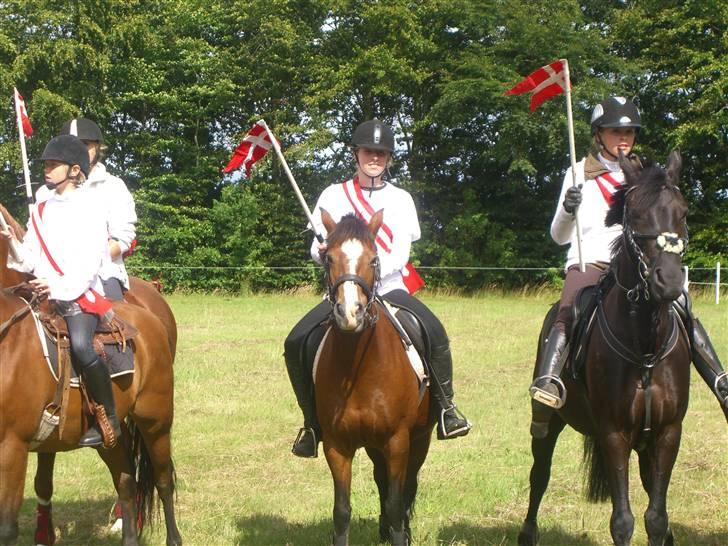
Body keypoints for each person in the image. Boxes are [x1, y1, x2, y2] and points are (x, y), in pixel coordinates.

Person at [528, 96, 728, 436]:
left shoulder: (648, 174)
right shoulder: (577, 173)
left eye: (630, 131)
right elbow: (559, 236)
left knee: (681, 305)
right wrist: (567, 207)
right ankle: (548, 382)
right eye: (614, 130)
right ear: (598, 134)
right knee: (568, 311)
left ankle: (720, 380)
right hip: (590, 260)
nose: (624, 137)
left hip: (637, 262)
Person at [284, 119, 472, 458]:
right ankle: (312, 423)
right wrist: (324, 251)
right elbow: (317, 249)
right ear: (356, 154)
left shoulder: (401, 199)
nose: (375, 158)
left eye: (381, 153)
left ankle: (446, 408)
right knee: (296, 339)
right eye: (369, 152)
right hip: (344, 291)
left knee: (434, 330)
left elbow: (401, 251)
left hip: (390, 288)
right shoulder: (333, 194)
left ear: (388, 159)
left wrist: (370, 268)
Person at [0, 134, 121, 448]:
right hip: (43, 294)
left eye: (54, 165)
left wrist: (55, 285)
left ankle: (108, 415)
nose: (47, 170)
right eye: (46, 165)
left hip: (79, 294)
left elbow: (91, 261)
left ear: (75, 170)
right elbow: (29, 257)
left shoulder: (91, 207)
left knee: (82, 346)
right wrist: (11, 239)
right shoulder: (41, 210)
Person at [35, 117, 137, 301]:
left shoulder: (113, 186)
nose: (77, 150)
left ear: (97, 147)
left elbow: (122, 237)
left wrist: (84, 265)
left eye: (85, 144)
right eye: (71, 145)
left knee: (113, 321)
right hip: (49, 274)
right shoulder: (45, 193)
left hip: (102, 272)